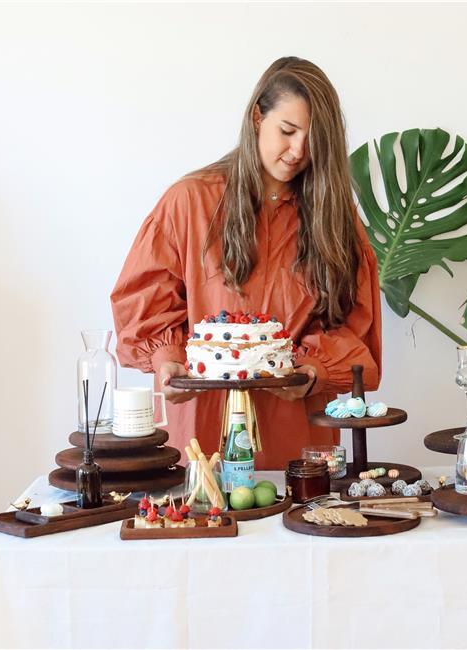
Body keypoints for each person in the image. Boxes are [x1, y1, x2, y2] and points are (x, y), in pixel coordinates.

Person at [111, 56, 382, 469]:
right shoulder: (190, 202)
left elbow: (353, 321)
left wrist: (314, 370)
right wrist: (168, 361)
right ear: (257, 117)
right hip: (203, 435)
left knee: (300, 510)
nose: (298, 151)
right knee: (207, 507)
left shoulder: (333, 216)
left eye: (313, 140)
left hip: (298, 439)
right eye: (287, 131)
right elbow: (144, 304)